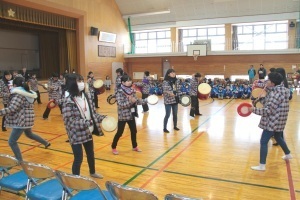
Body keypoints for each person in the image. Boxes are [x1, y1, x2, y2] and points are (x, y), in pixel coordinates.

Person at [62, 73, 105, 178]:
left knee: (90, 154)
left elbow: (92, 114)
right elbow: (70, 121)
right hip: (75, 134)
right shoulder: (68, 101)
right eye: (78, 81)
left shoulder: (86, 96)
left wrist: (103, 118)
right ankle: (75, 178)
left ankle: (92, 172)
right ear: (72, 84)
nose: (82, 83)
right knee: (78, 158)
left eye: (82, 80)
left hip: (87, 131)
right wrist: (88, 122)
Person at [0, 77, 50, 161]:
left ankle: (19, 159)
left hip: (21, 120)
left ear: (14, 85)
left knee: (11, 141)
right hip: (27, 119)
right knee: (29, 134)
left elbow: (12, 108)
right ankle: (46, 143)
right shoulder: (27, 93)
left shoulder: (19, 94)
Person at [249, 72, 292, 171]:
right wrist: (260, 100)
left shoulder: (275, 94)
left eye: (268, 80)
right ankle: (288, 154)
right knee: (278, 136)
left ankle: (262, 165)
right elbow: (271, 104)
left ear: (272, 83)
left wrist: (253, 110)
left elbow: (268, 111)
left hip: (273, 121)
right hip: (280, 120)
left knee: (263, 141)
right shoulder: (282, 91)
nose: (266, 82)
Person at [111, 74, 147, 155]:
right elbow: (121, 104)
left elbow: (136, 101)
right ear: (123, 82)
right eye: (127, 81)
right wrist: (131, 101)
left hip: (131, 114)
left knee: (134, 131)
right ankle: (113, 147)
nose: (129, 82)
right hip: (123, 116)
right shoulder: (119, 92)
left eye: (130, 80)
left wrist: (147, 100)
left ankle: (135, 146)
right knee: (120, 132)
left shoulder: (132, 90)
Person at [162, 69, 182, 133]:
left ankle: (175, 126)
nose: (173, 74)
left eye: (174, 72)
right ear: (168, 74)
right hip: (168, 101)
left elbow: (179, 90)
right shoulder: (165, 81)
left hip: (175, 100)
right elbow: (165, 90)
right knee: (167, 114)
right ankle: (164, 128)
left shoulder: (177, 81)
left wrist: (182, 95)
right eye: (171, 73)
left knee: (175, 114)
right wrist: (170, 93)